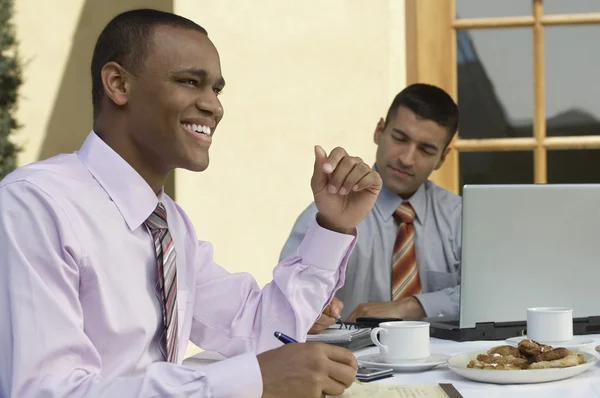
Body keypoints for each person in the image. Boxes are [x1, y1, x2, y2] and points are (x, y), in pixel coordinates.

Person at [0, 9, 383, 398]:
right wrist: (252, 381)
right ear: (118, 84)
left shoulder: (171, 226)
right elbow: (44, 392)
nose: (213, 107)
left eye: (216, 90)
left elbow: (261, 330)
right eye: (189, 82)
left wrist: (332, 226)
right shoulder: (36, 206)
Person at [280, 84, 461, 333]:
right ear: (379, 131)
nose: (407, 159)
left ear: (442, 158)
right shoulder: (329, 213)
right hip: (351, 365)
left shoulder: (461, 217)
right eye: (400, 138)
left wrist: (412, 306)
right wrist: (308, 308)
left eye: (426, 149)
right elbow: (284, 300)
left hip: (443, 365)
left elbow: (492, 293)